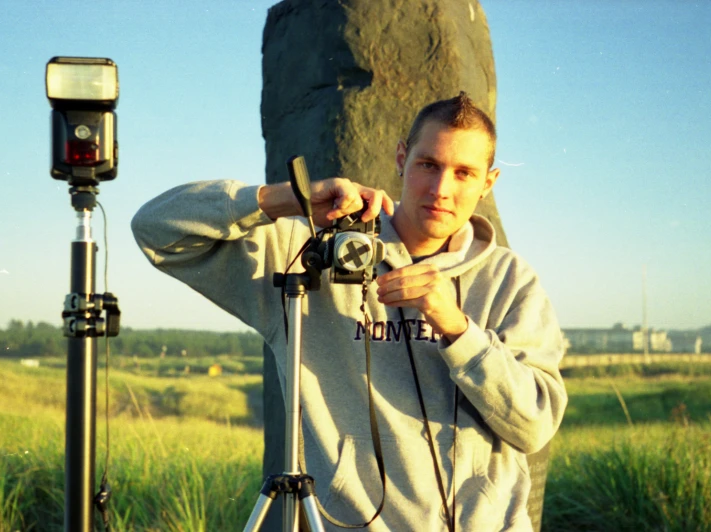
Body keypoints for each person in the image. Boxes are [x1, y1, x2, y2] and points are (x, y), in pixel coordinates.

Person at [131, 92, 567, 531]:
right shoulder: (307, 251)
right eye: (428, 165)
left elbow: (533, 426)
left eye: (464, 173)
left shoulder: (510, 280)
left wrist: (457, 328)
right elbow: (155, 230)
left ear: (488, 183)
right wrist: (288, 200)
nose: (441, 190)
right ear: (401, 158)